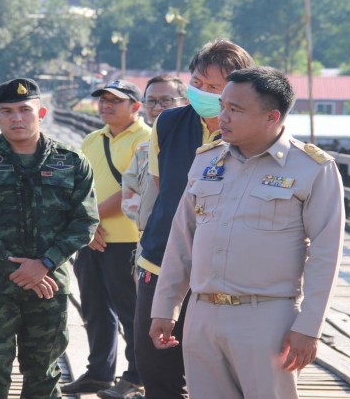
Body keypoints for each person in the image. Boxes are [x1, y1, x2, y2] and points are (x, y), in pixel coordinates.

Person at [149, 66, 345, 399]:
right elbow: (182, 241)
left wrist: (309, 327)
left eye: (234, 110)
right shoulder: (206, 161)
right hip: (202, 314)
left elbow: (326, 256)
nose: (221, 116)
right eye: (222, 105)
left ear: (271, 117)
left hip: (266, 319)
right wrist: (165, 308)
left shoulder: (312, 169)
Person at [0, 78, 99, 398]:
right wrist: (14, 267)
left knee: (44, 375)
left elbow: (85, 221)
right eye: (7, 111)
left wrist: (44, 263)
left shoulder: (71, 162)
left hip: (48, 284)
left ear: (41, 112)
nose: (17, 118)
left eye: (24, 110)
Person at [135, 39, 254, 398]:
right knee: (154, 364)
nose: (202, 92)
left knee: (218, 371)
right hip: (161, 259)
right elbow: (164, 187)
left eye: (215, 88)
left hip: (226, 270)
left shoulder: (252, 133)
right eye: (198, 83)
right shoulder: (169, 123)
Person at [63, 79, 151, 399]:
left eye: (116, 100)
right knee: (95, 309)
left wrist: (92, 219)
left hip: (128, 240)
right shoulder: (92, 139)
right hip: (91, 238)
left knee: (130, 311)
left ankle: (136, 374)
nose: (106, 105)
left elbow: (134, 189)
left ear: (135, 107)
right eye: (102, 99)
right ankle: (99, 372)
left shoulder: (147, 139)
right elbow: (78, 185)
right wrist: (87, 225)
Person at [121, 75, 186, 266]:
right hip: (150, 246)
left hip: (188, 247)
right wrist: (154, 222)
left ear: (186, 102)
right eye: (151, 101)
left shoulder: (199, 147)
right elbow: (129, 192)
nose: (157, 108)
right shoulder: (143, 149)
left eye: (166, 100)